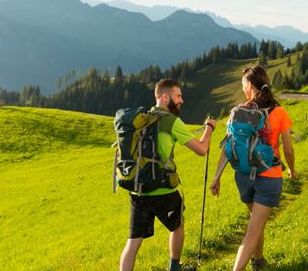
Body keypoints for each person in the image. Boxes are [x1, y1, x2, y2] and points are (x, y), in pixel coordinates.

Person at [121, 78, 218, 271]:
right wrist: (209, 128)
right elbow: (201, 149)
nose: (181, 100)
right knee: (177, 226)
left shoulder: (142, 119)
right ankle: (174, 267)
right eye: (178, 95)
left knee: (133, 241)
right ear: (165, 97)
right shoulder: (171, 121)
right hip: (163, 189)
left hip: (138, 189)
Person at [210, 66, 297, 271]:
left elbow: (228, 146)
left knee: (255, 222)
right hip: (269, 176)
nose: (242, 90)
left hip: (243, 176)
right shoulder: (280, 112)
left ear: (249, 85)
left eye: (243, 86)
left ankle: (258, 261)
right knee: (254, 227)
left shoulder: (239, 112)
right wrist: (292, 170)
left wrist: (216, 176)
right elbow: (288, 149)